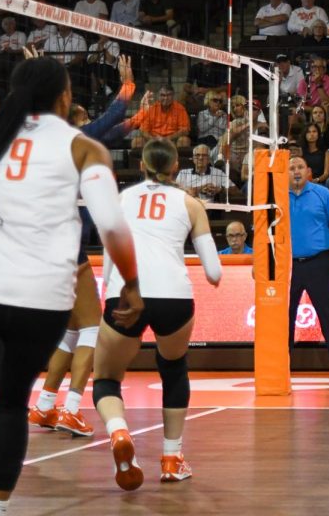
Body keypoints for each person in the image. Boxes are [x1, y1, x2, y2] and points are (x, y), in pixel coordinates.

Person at [0, 57, 143, 515]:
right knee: (12, 406)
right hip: (39, 303)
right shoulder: (81, 147)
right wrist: (132, 285)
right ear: (65, 97)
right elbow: (112, 226)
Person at [92, 139, 220, 490]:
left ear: (143, 165)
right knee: (174, 369)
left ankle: (119, 433)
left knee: (105, 377)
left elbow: (107, 263)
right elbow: (213, 272)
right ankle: (171, 458)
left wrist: (113, 290)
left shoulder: (120, 199)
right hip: (173, 296)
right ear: (176, 167)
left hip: (125, 292)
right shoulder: (191, 203)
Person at [286, 155, 329, 374]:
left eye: (300, 167)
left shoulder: (323, 194)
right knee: (284, 314)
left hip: (319, 262)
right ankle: (282, 359)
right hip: (287, 265)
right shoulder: (276, 197)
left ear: (308, 172)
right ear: (285, 173)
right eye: (291, 168)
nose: (296, 171)